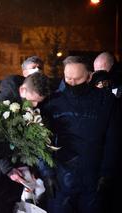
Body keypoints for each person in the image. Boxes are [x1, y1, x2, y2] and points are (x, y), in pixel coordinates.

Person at [41, 56, 120, 213]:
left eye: (78, 79)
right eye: (68, 78)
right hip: (61, 179)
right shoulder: (52, 101)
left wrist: (107, 173)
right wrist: (47, 173)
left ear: (90, 76)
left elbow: (114, 139)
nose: (72, 83)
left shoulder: (106, 101)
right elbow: (42, 139)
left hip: (93, 177)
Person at [0, 72, 51, 212]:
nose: (35, 105)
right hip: (0, 171)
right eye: (33, 101)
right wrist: (7, 168)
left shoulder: (32, 104)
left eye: (39, 102)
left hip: (20, 171)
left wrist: (27, 165)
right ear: (22, 90)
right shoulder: (2, 103)